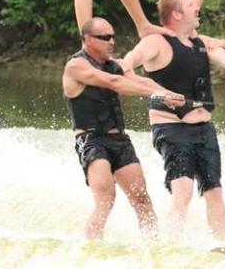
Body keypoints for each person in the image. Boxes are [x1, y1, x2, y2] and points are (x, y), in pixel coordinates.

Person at [120, 0, 225, 243]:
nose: (197, 8)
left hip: (204, 130)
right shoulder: (156, 42)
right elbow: (130, 61)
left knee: (214, 192)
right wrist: (132, 71)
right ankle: (172, 245)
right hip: (172, 128)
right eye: (190, 5)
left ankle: (221, 244)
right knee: (183, 190)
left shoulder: (201, 42)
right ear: (176, 14)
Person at [62, 16, 185, 240]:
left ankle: (153, 245)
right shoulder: (76, 66)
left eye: (113, 36)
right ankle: (92, 246)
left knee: (142, 199)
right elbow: (114, 83)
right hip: (91, 141)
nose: (111, 41)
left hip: (119, 140)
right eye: (105, 37)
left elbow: (141, 82)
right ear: (88, 39)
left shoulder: (115, 65)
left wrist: (170, 95)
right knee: (106, 199)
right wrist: (156, 95)